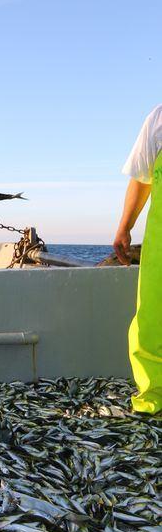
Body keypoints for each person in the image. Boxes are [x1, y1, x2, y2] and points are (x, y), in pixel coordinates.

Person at [113, 104, 162, 415]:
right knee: (151, 322)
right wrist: (125, 226)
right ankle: (152, 396)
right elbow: (143, 178)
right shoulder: (158, 118)